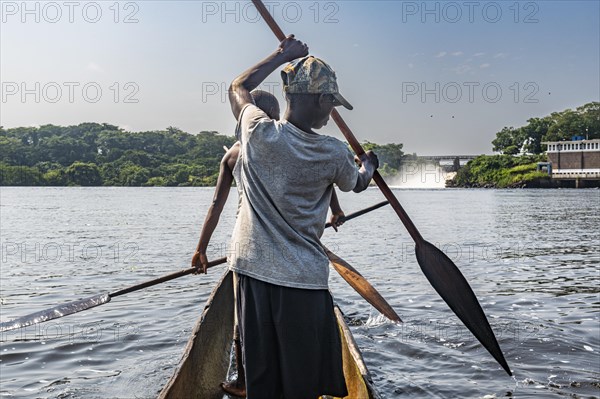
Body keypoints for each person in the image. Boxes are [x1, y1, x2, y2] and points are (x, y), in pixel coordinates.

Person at [226, 34, 379, 398]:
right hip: (303, 283)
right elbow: (357, 184)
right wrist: (370, 165)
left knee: (262, 379)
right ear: (322, 99)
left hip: (254, 274)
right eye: (331, 103)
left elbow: (239, 86)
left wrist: (282, 56)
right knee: (302, 383)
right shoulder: (333, 152)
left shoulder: (258, 133)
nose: (331, 112)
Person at [191, 89, 347, 397]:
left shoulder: (241, 150)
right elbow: (324, 177)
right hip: (288, 246)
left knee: (245, 320)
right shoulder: (283, 143)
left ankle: (244, 380)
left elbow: (216, 205)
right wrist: (336, 210)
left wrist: (201, 249)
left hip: (248, 246)